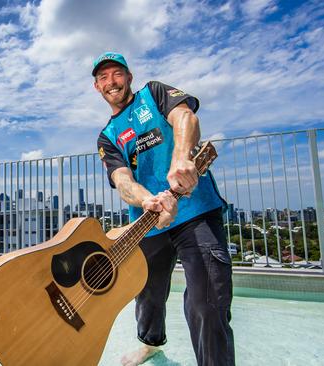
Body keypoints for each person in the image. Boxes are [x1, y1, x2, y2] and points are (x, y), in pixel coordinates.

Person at [93, 52, 235, 366]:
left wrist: (182, 159)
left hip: (195, 211)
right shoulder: (108, 136)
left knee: (207, 301)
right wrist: (147, 201)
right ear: (96, 87)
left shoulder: (154, 94)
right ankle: (150, 344)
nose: (111, 82)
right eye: (103, 78)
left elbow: (186, 118)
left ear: (128, 77)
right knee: (147, 294)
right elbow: (122, 179)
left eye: (116, 74)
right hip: (149, 222)